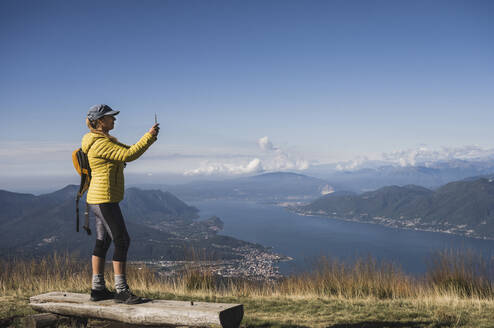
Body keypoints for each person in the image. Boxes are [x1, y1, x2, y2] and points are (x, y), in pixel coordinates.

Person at [81, 104, 159, 304]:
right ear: (100, 121)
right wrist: (149, 136)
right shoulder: (100, 144)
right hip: (104, 199)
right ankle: (121, 291)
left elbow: (126, 150)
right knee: (122, 240)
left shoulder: (101, 141)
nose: (114, 120)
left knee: (104, 242)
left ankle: (97, 289)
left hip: (97, 199)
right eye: (110, 117)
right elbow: (129, 155)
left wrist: (148, 136)